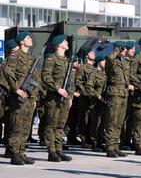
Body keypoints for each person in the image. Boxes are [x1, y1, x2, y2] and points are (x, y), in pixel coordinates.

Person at [3, 32, 37, 165]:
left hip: (28, 97)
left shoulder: (31, 58)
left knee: (26, 126)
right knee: (16, 125)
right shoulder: (15, 55)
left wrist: (33, 98)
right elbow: (7, 71)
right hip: (17, 97)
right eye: (28, 38)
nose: (30, 39)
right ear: (21, 42)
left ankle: (21, 152)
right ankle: (14, 153)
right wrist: (16, 88)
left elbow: (36, 80)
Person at [42, 34, 76, 162]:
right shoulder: (51, 59)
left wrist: (71, 96)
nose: (67, 42)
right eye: (64, 41)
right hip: (54, 98)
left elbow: (71, 82)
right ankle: (52, 152)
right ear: (58, 44)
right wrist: (57, 88)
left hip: (65, 98)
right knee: (51, 125)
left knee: (61, 125)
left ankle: (59, 150)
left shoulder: (67, 61)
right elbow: (46, 76)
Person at [104, 41, 133, 158]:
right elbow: (110, 58)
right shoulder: (112, 62)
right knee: (112, 121)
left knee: (120, 123)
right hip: (114, 95)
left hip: (124, 94)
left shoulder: (125, 63)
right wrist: (117, 50)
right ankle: (110, 147)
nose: (125, 51)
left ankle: (116, 146)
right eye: (123, 49)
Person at [85, 54, 107, 152]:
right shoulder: (94, 73)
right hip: (96, 102)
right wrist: (98, 96)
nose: (106, 63)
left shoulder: (106, 74)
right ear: (99, 62)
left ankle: (99, 142)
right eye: (104, 61)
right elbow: (88, 87)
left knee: (102, 123)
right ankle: (94, 143)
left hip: (104, 102)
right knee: (95, 123)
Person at [76, 47, 96, 148]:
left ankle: (91, 138)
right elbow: (78, 82)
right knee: (84, 118)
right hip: (85, 97)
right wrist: (85, 92)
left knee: (92, 118)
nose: (93, 53)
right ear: (87, 55)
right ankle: (84, 139)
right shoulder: (83, 67)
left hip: (94, 97)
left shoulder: (96, 67)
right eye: (91, 52)